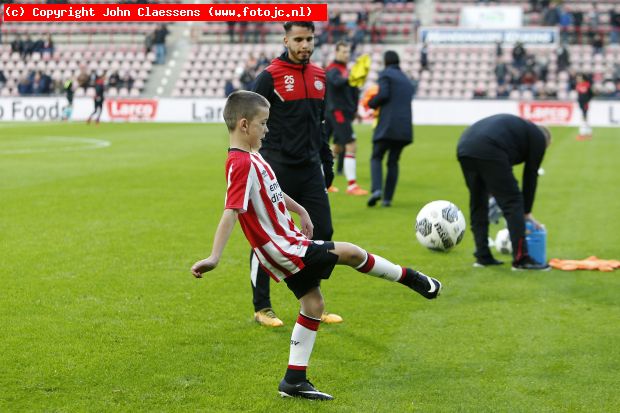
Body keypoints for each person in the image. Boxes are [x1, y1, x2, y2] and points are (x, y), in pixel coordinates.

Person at [190, 90, 442, 400]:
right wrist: (215, 256)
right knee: (350, 252)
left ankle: (294, 380)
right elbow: (231, 210)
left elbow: (273, 191)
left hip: (289, 240)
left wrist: (301, 209)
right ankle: (413, 278)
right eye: (263, 124)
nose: (267, 130)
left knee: (313, 304)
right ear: (244, 125)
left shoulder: (252, 155)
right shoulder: (240, 162)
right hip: (283, 247)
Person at [250, 21, 341, 327]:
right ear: (286, 40)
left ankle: (312, 301)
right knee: (266, 238)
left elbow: (321, 124)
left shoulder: (319, 76)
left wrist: (327, 163)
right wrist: (251, 164)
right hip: (276, 168)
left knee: (323, 231)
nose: (305, 45)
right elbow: (248, 120)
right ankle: (262, 307)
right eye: (298, 39)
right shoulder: (269, 76)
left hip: (310, 168)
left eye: (309, 39)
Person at [456, 114, 552, 270]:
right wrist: (526, 212)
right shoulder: (539, 138)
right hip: (489, 147)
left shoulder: (522, 131)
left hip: (465, 146)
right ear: (547, 141)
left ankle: (482, 256)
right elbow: (530, 175)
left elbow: (501, 168)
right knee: (513, 202)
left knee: (479, 202)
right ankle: (521, 259)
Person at [366, 50, 414, 208]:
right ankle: (387, 199)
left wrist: (371, 102)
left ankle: (377, 190)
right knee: (393, 162)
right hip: (404, 128)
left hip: (388, 126)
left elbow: (384, 94)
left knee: (376, 157)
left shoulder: (386, 74)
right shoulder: (406, 79)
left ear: (386, 61)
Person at [324, 41, 368, 195]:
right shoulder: (333, 69)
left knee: (336, 147)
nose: (346, 54)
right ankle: (352, 186)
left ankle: (325, 183)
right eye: (343, 51)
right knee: (351, 144)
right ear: (336, 53)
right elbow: (336, 83)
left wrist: (355, 110)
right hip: (337, 112)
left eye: (347, 52)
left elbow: (351, 90)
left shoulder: (344, 70)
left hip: (340, 112)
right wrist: (352, 79)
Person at [575, 73, 593, 139]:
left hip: (585, 103)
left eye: (579, 78)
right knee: (585, 118)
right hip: (580, 103)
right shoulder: (578, 85)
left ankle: (582, 134)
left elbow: (591, 94)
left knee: (583, 118)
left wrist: (587, 100)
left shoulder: (587, 84)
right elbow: (579, 94)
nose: (578, 79)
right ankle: (589, 134)